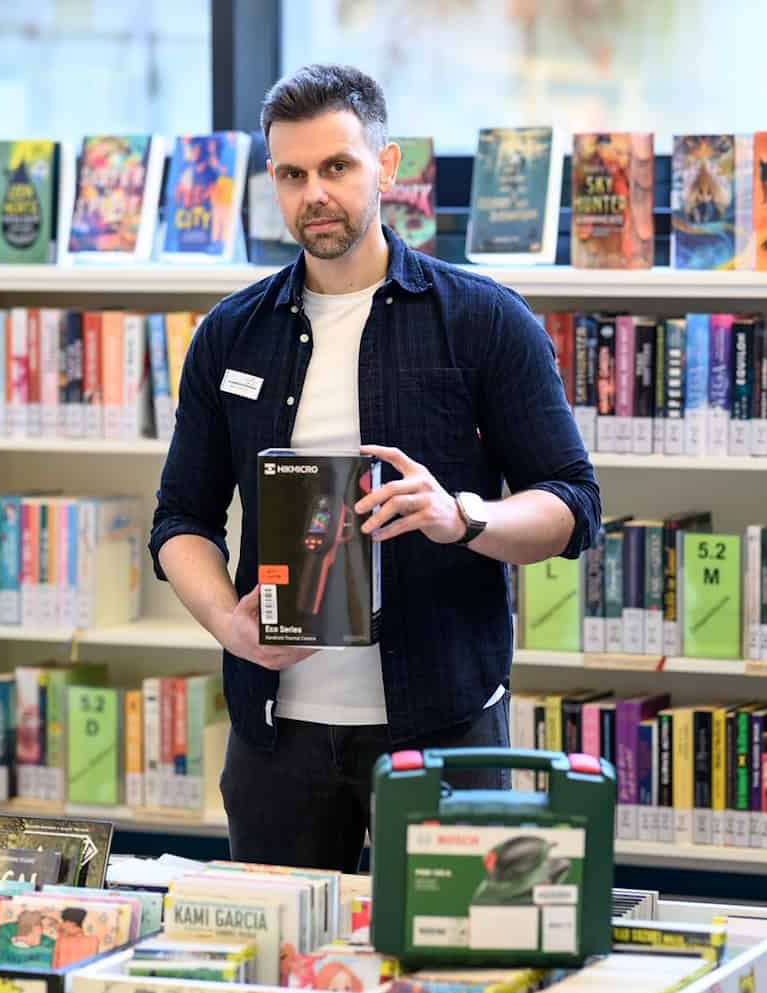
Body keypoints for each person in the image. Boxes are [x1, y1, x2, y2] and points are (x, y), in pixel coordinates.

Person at [148, 63, 600, 873]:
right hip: (276, 735)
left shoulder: (484, 320)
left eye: (337, 167)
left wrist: (463, 515)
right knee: (278, 981)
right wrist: (227, 623)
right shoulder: (230, 334)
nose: (314, 193)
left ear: (386, 167)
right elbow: (179, 520)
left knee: (450, 972)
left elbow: (574, 507)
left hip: (441, 731)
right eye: (292, 174)